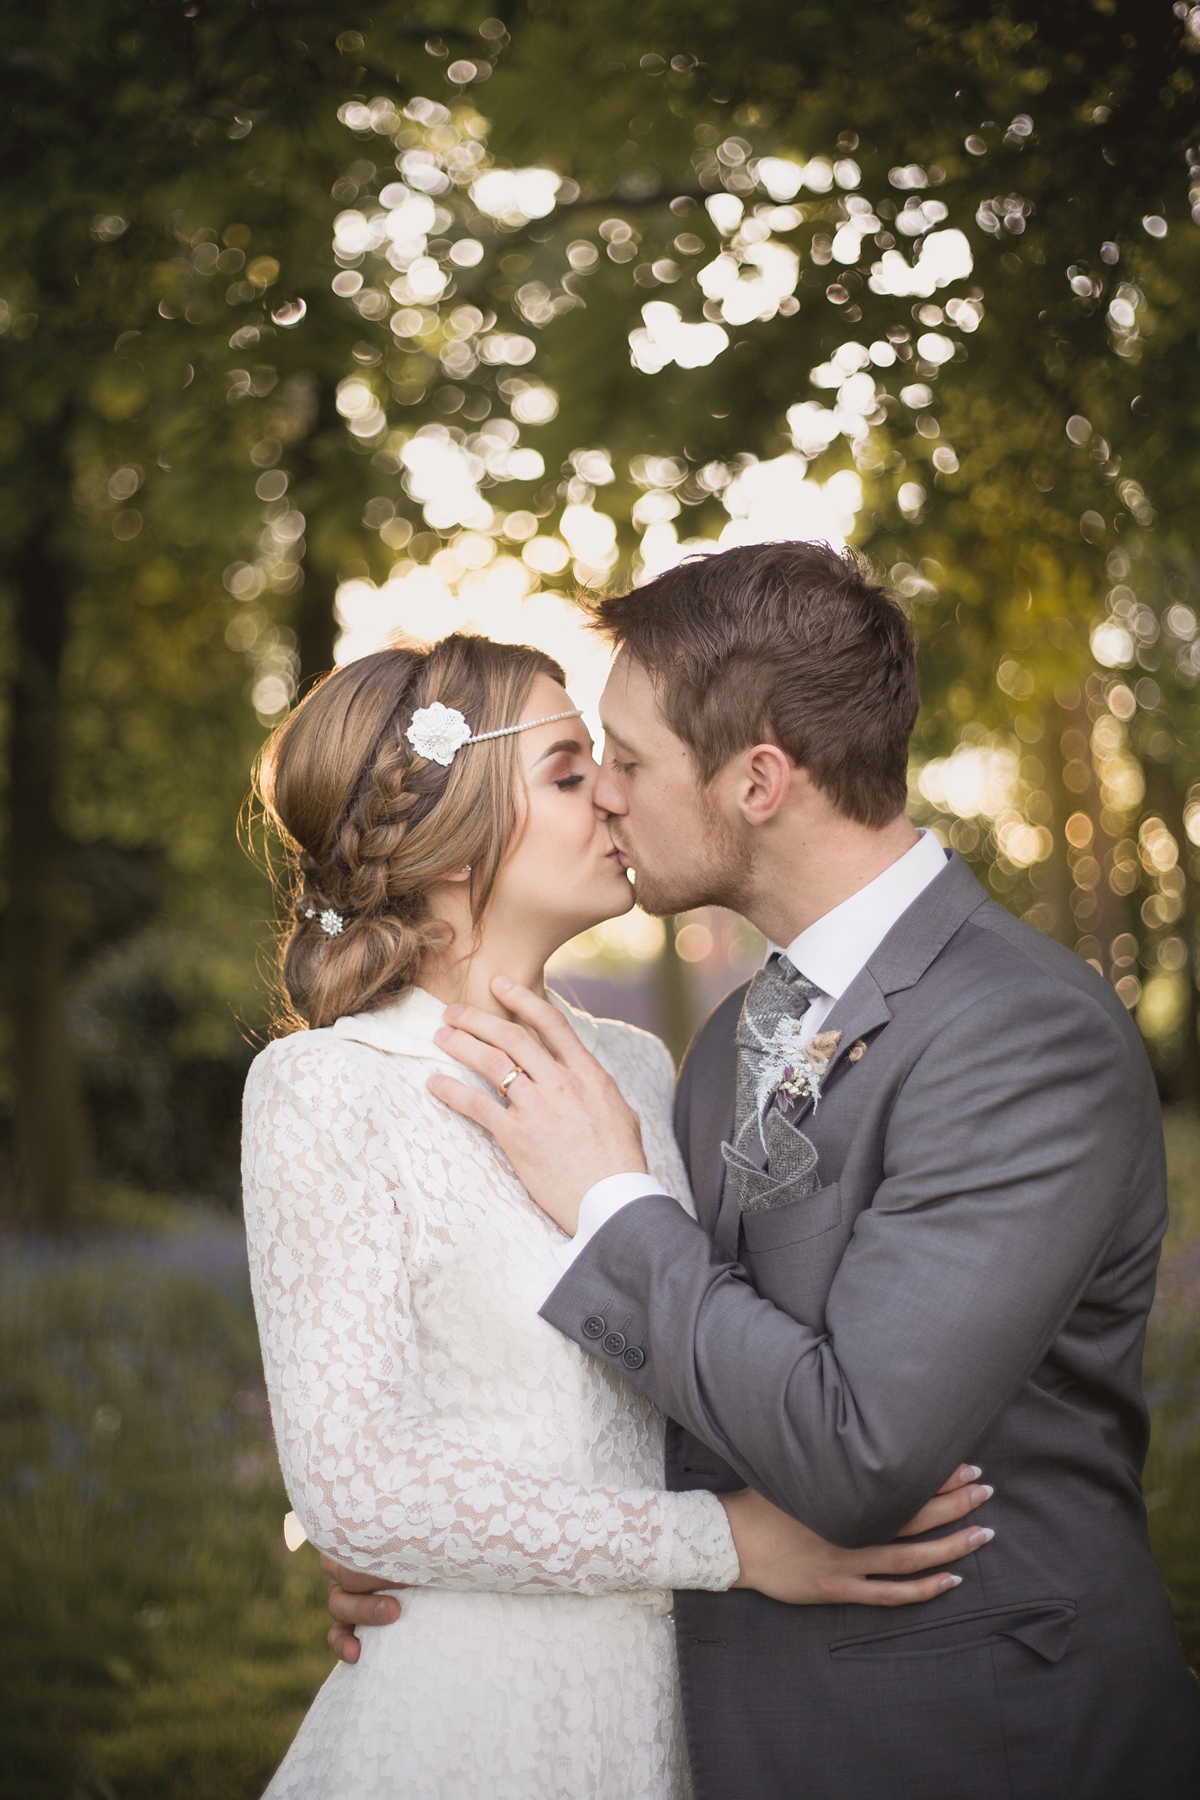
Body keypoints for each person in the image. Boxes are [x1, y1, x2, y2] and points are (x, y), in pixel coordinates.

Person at [381, 544, 1200, 1800]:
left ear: (758, 779)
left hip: (974, 1738)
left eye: (631, 759)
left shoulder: (1022, 1035)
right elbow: (698, 1389)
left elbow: (856, 1448)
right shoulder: (724, 1047)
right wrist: (452, 1562)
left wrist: (613, 1200)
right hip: (743, 1727)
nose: (602, 793)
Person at [242, 630, 990, 1800]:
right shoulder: (325, 1088)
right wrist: (730, 1543)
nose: (614, 796)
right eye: (566, 768)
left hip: (675, 1715)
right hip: (472, 1722)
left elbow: (703, 1341)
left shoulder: (644, 1067)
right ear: (449, 844)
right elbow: (361, 1491)